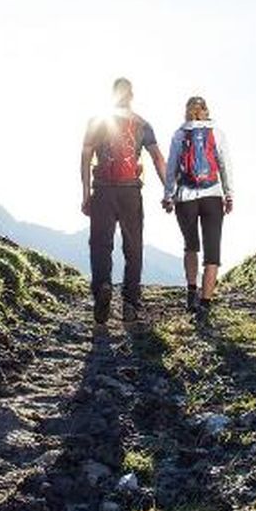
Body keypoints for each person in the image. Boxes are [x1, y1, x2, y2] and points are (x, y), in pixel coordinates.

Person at [81, 77, 167, 325]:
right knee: (133, 246)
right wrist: (168, 191)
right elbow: (158, 159)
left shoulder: (97, 121)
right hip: (130, 192)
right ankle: (130, 303)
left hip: (103, 191)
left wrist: (86, 193)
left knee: (100, 244)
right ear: (131, 96)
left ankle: (102, 289)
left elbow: (85, 157)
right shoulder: (142, 123)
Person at [162, 95, 233, 318]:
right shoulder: (217, 133)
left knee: (190, 246)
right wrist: (229, 194)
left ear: (186, 111)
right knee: (213, 252)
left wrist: (168, 195)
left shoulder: (179, 134)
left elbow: (171, 167)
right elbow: (224, 165)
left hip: (186, 197)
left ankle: (191, 293)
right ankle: (206, 304)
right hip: (212, 196)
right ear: (206, 110)